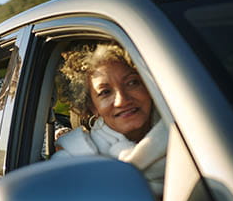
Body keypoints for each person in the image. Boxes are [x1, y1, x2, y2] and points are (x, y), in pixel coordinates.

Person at [53, 42, 167, 192]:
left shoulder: (190, 130)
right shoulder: (74, 161)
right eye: (105, 92)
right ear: (92, 107)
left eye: (132, 83)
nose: (122, 100)